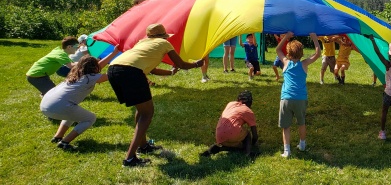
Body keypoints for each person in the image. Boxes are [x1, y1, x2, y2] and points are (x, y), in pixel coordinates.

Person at [107, 23, 204, 167]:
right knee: (147, 113)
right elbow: (182, 64)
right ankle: (130, 158)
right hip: (131, 73)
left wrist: (170, 73)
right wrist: (197, 64)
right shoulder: (164, 43)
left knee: (142, 110)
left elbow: (151, 69)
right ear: (163, 36)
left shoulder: (142, 43)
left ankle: (144, 146)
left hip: (113, 69)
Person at [40, 47, 120, 150]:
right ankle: (65, 142)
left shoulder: (75, 74)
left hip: (45, 104)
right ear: (93, 68)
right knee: (90, 118)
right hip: (58, 106)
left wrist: (114, 53)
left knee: (71, 113)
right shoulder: (90, 77)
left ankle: (58, 137)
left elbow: (99, 66)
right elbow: (113, 74)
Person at [276, 32, 321, 158]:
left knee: (286, 126)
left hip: (286, 99)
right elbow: (317, 54)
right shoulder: (304, 64)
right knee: (301, 123)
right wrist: (314, 39)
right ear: (301, 52)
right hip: (301, 99)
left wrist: (286, 37)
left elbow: (278, 49)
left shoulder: (285, 62)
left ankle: (287, 151)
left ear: (288, 52)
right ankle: (302, 145)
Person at [201, 90, 258, 157]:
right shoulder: (248, 111)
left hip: (219, 135)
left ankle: (220, 148)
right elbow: (255, 135)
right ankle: (248, 153)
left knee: (241, 147)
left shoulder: (230, 104)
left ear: (238, 99)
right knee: (247, 134)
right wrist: (253, 144)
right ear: (250, 102)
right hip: (232, 134)